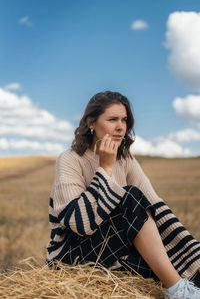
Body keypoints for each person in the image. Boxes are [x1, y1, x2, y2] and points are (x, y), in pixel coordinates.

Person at [46, 91, 200, 298]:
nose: (121, 126)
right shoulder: (70, 159)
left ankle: (183, 285)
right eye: (112, 119)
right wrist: (105, 168)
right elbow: (79, 223)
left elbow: (158, 211)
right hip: (70, 257)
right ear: (91, 122)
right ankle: (176, 290)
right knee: (129, 197)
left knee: (185, 265)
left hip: (112, 252)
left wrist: (195, 253)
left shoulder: (126, 159)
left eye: (124, 120)